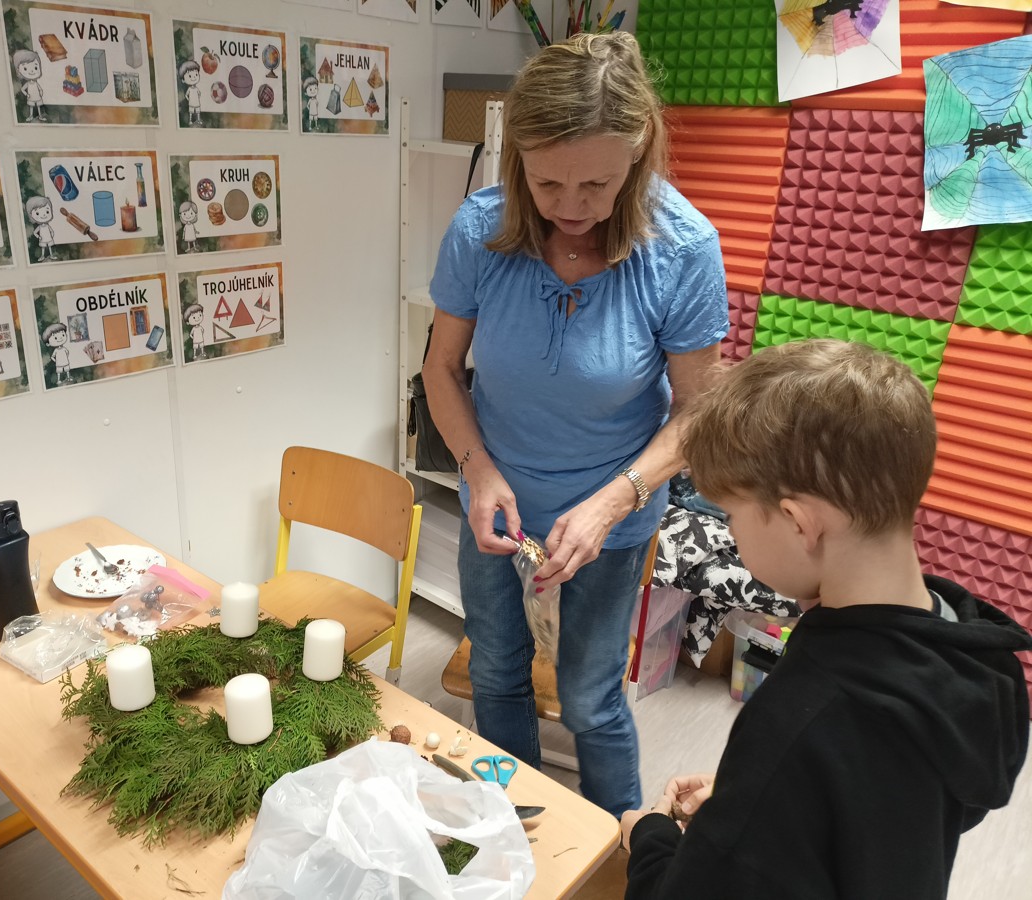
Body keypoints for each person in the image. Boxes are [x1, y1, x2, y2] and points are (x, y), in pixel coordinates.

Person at [423, 31, 728, 819]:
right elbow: (441, 370)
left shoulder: (683, 248)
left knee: (591, 697)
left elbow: (698, 409)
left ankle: (625, 850)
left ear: (639, 150)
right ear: (516, 158)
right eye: (547, 181)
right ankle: (512, 826)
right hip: (497, 503)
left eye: (597, 183)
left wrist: (611, 504)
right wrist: (478, 470)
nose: (570, 207)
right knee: (496, 671)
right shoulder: (481, 229)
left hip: (614, 515)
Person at [621, 339, 1032, 898]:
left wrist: (651, 838)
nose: (732, 533)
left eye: (733, 515)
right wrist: (758, 800)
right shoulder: (980, 657)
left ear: (799, 523)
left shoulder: (799, 718)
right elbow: (894, 807)